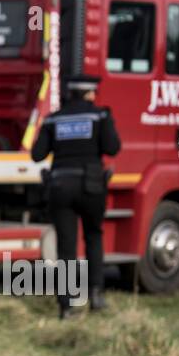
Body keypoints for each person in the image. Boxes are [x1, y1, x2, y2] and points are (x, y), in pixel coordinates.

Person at [30, 73, 122, 318]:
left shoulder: (53, 120)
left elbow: (37, 155)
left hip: (60, 187)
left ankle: (67, 305)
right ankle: (95, 295)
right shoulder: (100, 116)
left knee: (66, 247)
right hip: (91, 186)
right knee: (93, 238)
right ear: (90, 93)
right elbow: (113, 147)